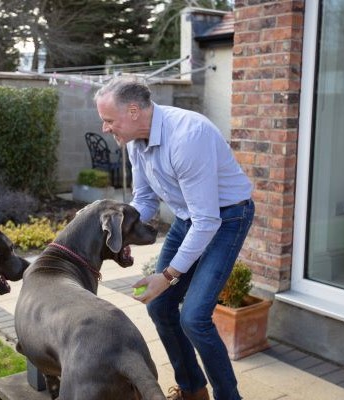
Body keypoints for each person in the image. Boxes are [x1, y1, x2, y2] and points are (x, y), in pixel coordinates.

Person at [93, 77, 254, 400]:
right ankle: (193, 389)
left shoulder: (187, 137)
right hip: (189, 218)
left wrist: (167, 276)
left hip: (227, 218)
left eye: (109, 120)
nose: (106, 128)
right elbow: (145, 199)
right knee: (160, 308)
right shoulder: (136, 142)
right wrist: (118, 233)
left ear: (134, 111)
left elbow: (208, 220)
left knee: (194, 317)